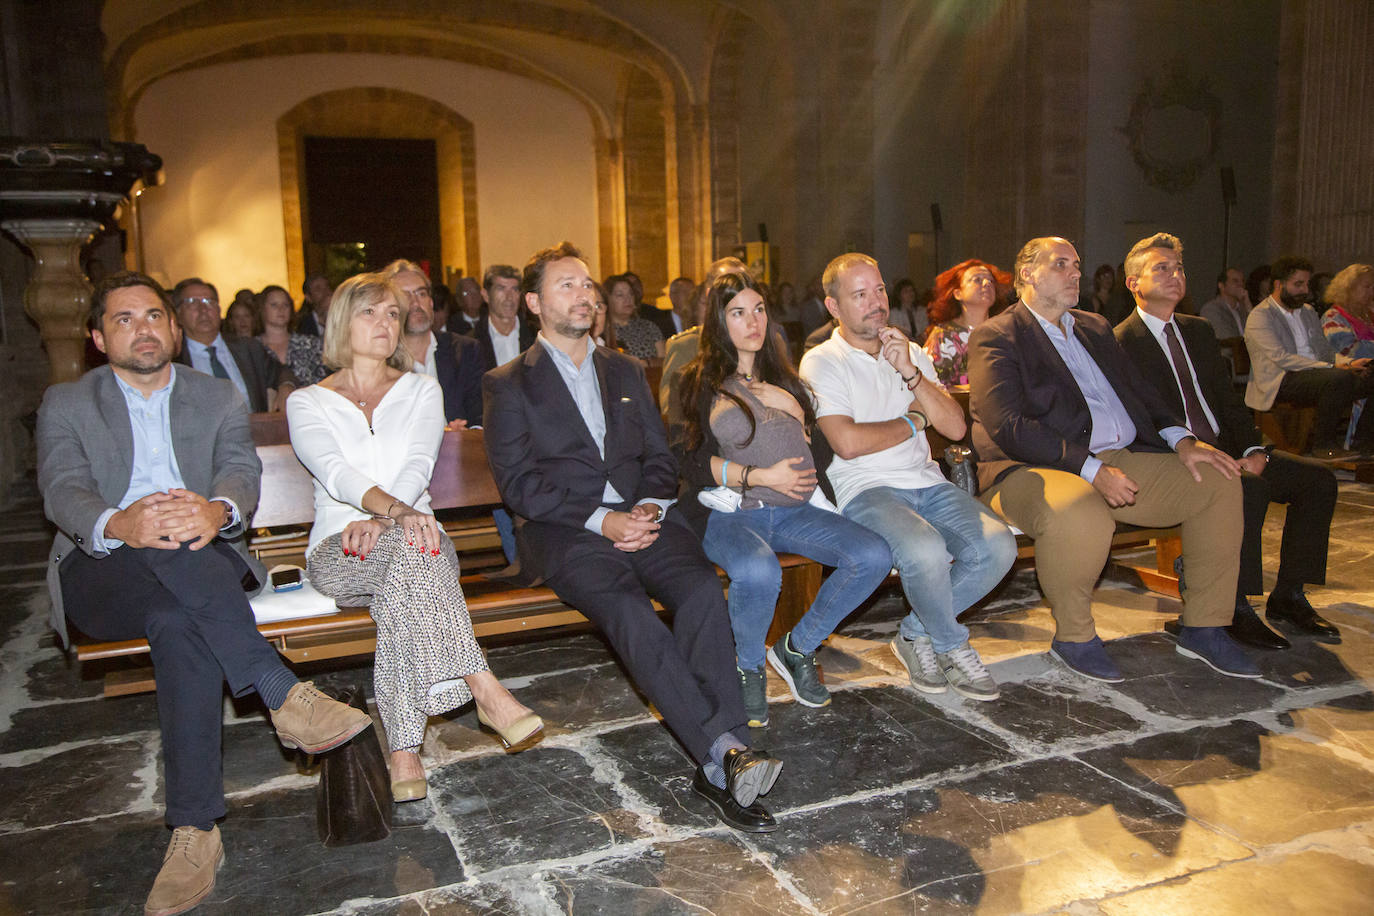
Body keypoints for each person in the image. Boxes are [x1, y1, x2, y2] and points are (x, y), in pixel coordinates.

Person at [38, 272, 372, 915]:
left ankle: (194, 832)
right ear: (97, 336)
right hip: (103, 567)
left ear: (172, 327)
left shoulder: (214, 395)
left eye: (153, 316)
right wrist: (123, 522)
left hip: (206, 559)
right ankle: (284, 694)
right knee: (165, 550)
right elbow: (64, 490)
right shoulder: (68, 402)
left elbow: (239, 473)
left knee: (177, 613)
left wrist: (217, 511)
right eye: (124, 318)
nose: (143, 329)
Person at [483, 242, 783, 833]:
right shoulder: (509, 383)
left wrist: (648, 504)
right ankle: (723, 752)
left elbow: (658, 454)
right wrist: (603, 519)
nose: (585, 293)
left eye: (587, 284)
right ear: (535, 303)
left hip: (646, 519)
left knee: (700, 589)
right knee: (627, 609)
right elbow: (520, 487)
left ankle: (722, 754)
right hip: (566, 533)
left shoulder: (622, 370)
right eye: (567, 284)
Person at [288, 272, 541, 803]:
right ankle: (482, 686)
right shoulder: (307, 401)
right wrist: (390, 517)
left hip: (418, 535)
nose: (385, 324)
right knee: (412, 564)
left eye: (391, 314)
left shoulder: (422, 388)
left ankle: (403, 749)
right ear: (341, 322)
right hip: (342, 547)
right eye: (369, 313)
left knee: (407, 564)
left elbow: (420, 463)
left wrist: (389, 519)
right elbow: (334, 473)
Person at [968, 236, 1251, 682]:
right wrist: (1092, 469)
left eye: (1076, 264)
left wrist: (1183, 441)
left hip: (1118, 457)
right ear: (1026, 274)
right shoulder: (999, 335)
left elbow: (1142, 393)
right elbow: (1009, 426)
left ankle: (1204, 626)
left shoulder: (1094, 327)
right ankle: (1075, 637)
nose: (1075, 273)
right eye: (1060, 264)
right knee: (1081, 511)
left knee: (1216, 480)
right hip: (1029, 469)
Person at [676, 272, 891, 726]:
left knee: (872, 555)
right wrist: (759, 475)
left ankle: (797, 647)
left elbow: (821, 451)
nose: (752, 321)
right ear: (719, 322)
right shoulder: (700, 380)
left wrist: (796, 411)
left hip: (797, 511)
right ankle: (749, 667)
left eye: (758, 309)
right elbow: (688, 461)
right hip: (735, 515)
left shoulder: (785, 377)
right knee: (759, 569)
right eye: (738, 313)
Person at [800, 253, 1016, 701]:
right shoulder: (822, 361)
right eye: (859, 294)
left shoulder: (912, 351)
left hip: (928, 483)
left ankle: (916, 634)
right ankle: (952, 644)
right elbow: (848, 444)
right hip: (865, 489)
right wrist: (915, 423)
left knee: (998, 546)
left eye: (879, 289)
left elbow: (957, 429)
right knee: (924, 549)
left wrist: (911, 374)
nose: (876, 302)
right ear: (834, 307)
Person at [1114, 233, 1341, 646]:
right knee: (1246, 489)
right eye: (1161, 268)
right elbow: (1139, 421)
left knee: (1318, 480)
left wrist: (1254, 448)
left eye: (1179, 267)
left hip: (1228, 450)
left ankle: (1289, 594)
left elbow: (1228, 404)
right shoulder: (1119, 343)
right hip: (1176, 459)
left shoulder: (1198, 331)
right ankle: (1233, 605)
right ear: (1133, 283)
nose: (1174, 275)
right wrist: (1201, 454)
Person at [1244, 255, 1374, 459]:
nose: (1305, 290)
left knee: (1368, 375)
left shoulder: (1307, 311)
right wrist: (1330, 368)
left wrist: (1350, 362)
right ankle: (1324, 446)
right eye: (1298, 284)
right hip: (1281, 379)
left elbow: (1325, 351)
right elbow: (1282, 358)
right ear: (1279, 285)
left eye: (1306, 284)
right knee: (1338, 379)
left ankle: (1364, 445)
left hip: (1316, 375)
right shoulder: (1261, 315)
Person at [173, 278, 299, 412]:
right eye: (192, 303)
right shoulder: (174, 361)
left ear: (219, 309)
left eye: (209, 302)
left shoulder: (248, 348)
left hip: (255, 428)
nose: (203, 309)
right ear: (178, 314)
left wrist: (286, 386)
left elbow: (281, 372)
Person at [384, 260, 485, 427]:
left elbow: (481, 413)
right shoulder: (382, 360)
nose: (416, 303)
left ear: (431, 302)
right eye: (405, 295)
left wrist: (466, 434)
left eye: (421, 294)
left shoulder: (465, 350)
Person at [922, 259, 1012, 389]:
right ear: (958, 294)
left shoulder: (1005, 331)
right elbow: (928, 386)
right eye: (977, 280)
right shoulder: (943, 337)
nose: (987, 283)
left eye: (991, 281)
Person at [471, 264, 537, 372]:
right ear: (486, 295)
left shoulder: (536, 335)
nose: (509, 297)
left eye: (514, 289)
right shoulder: (472, 342)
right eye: (501, 289)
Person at [257, 284, 327, 385]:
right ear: (262, 309)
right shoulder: (253, 348)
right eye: (274, 305)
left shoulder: (310, 344)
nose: (281, 309)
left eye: (286, 305)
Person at [604, 273, 665, 360]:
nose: (628, 299)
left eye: (631, 294)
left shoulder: (649, 327)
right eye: (620, 295)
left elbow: (663, 361)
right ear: (607, 299)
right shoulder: (602, 330)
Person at [1321, 263, 1374, 361]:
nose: (1372, 293)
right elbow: (1349, 351)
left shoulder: (1369, 311)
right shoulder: (1332, 318)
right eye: (1367, 287)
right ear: (1348, 287)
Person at [1200, 267, 1252, 341]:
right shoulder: (1211, 309)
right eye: (1235, 281)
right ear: (1221, 285)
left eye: (1242, 281)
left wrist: (1248, 304)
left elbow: (1258, 334)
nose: (1241, 284)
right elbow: (1224, 337)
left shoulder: (1243, 309)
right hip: (1229, 351)